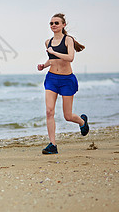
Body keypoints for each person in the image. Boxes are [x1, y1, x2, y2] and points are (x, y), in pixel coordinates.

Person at [37, 13, 89, 154]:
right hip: (52, 79)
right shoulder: (48, 42)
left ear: (63, 25)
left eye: (56, 23)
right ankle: (52, 145)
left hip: (66, 80)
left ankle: (82, 122)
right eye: (51, 23)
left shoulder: (68, 40)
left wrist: (54, 52)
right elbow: (53, 59)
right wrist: (44, 65)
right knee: (49, 111)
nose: (53, 25)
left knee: (67, 116)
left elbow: (70, 57)